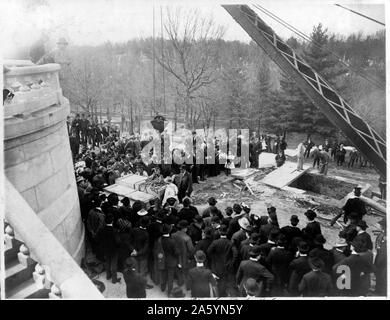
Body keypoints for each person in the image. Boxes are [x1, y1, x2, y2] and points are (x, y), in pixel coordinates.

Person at [207, 225, 238, 297]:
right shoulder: (230, 243)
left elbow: (208, 252)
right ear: (226, 232)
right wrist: (231, 263)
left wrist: (214, 259)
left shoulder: (215, 242)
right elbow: (236, 254)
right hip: (227, 267)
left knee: (218, 283)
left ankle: (220, 295)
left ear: (219, 232)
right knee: (226, 282)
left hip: (217, 267)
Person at [158, 224, 180, 297]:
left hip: (162, 261)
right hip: (171, 261)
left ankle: (162, 288)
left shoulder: (159, 239)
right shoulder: (172, 241)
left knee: (163, 274)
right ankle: (169, 292)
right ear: (169, 231)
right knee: (170, 277)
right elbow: (176, 252)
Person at [171, 220, 195, 289]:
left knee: (177, 269)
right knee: (185, 271)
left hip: (175, 256)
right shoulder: (187, 238)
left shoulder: (173, 235)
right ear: (185, 228)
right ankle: (187, 286)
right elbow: (191, 249)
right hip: (184, 257)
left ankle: (179, 281)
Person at [98, 214, 121, 284]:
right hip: (114, 250)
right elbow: (118, 242)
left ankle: (108, 275)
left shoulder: (102, 230)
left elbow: (99, 239)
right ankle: (114, 279)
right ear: (112, 221)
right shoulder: (115, 231)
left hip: (106, 249)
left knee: (107, 262)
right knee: (114, 265)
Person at [374, 218, 386, 296]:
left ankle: (381, 291)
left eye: (382, 225)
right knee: (378, 274)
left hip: (383, 258)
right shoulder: (383, 233)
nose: (381, 226)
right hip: (379, 256)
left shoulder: (386, 235)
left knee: (382, 274)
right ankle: (378, 289)